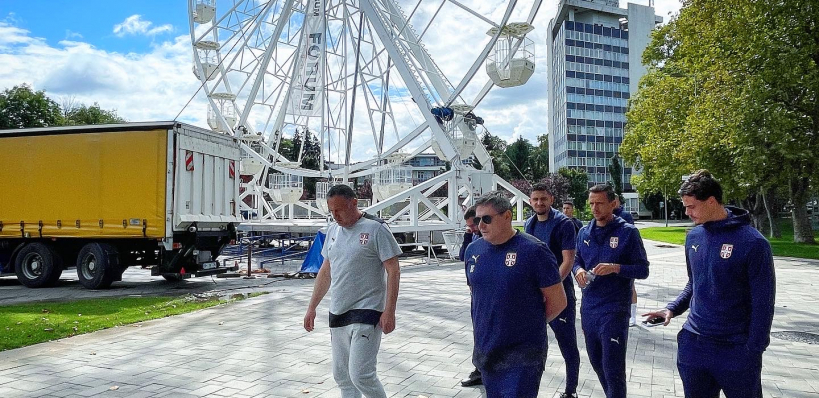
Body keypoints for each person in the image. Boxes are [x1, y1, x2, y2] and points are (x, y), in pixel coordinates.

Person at [643, 170, 775, 398]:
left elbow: (764, 304)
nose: (686, 212)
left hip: (735, 350)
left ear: (712, 201)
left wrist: (753, 350)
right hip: (694, 345)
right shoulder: (694, 237)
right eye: (685, 206)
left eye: (691, 206)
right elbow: (694, 283)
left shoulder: (753, 243)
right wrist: (671, 309)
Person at [464, 191, 567, 397]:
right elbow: (477, 294)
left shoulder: (534, 251)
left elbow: (558, 301)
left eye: (487, 219)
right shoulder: (473, 250)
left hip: (523, 355)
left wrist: (526, 324)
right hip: (488, 349)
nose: (480, 225)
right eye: (477, 219)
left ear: (507, 216)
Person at [303, 184, 402, 398]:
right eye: (331, 211)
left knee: (361, 375)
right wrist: (312, 307)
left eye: (339, 209)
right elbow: (326, 270)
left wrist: (389, 311)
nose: (335, 215)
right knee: (342, 376)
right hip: (338, 311)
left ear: (354, 203)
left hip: (367, 310)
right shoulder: (332, 231)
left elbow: (393, 270)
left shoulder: (376, 228)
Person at [573, 184, 649, 398]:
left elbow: (643, 270)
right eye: (591, 204)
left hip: (615, 308)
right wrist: (577, 270)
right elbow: (576, 260)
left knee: (612, 366)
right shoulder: (584, 231)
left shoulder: (628, 233)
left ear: (613, 204)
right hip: (589, 307)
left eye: (599, 203)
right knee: (596, 361)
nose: (594, 208)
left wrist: (616, 268)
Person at [524, 184, 581, 398]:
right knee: (532, 343)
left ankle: (570, 390)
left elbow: (568, 260)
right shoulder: (529, 224)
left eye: (543, 199)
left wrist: (551, 288)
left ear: (551, 200)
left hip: (560, 294)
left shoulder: (563, 224)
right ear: (530, 201)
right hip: (535, 296)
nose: (539, 203)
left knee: (567, 343)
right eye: (535, 199)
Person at [459, 205, 483, 387]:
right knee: (478, 331)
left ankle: (485, 368)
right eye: (469, 226)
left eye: (473, 224)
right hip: (476, 294)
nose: (473, 228)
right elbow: (462, 256)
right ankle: (479, 368)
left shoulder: (491, 239)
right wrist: (468, 234)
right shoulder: (475, 237)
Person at [613, 198, 639, 326]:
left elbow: (629, 236)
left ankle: (632, 314)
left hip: (625, 259)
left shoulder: (625, 216)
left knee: (630, 286)